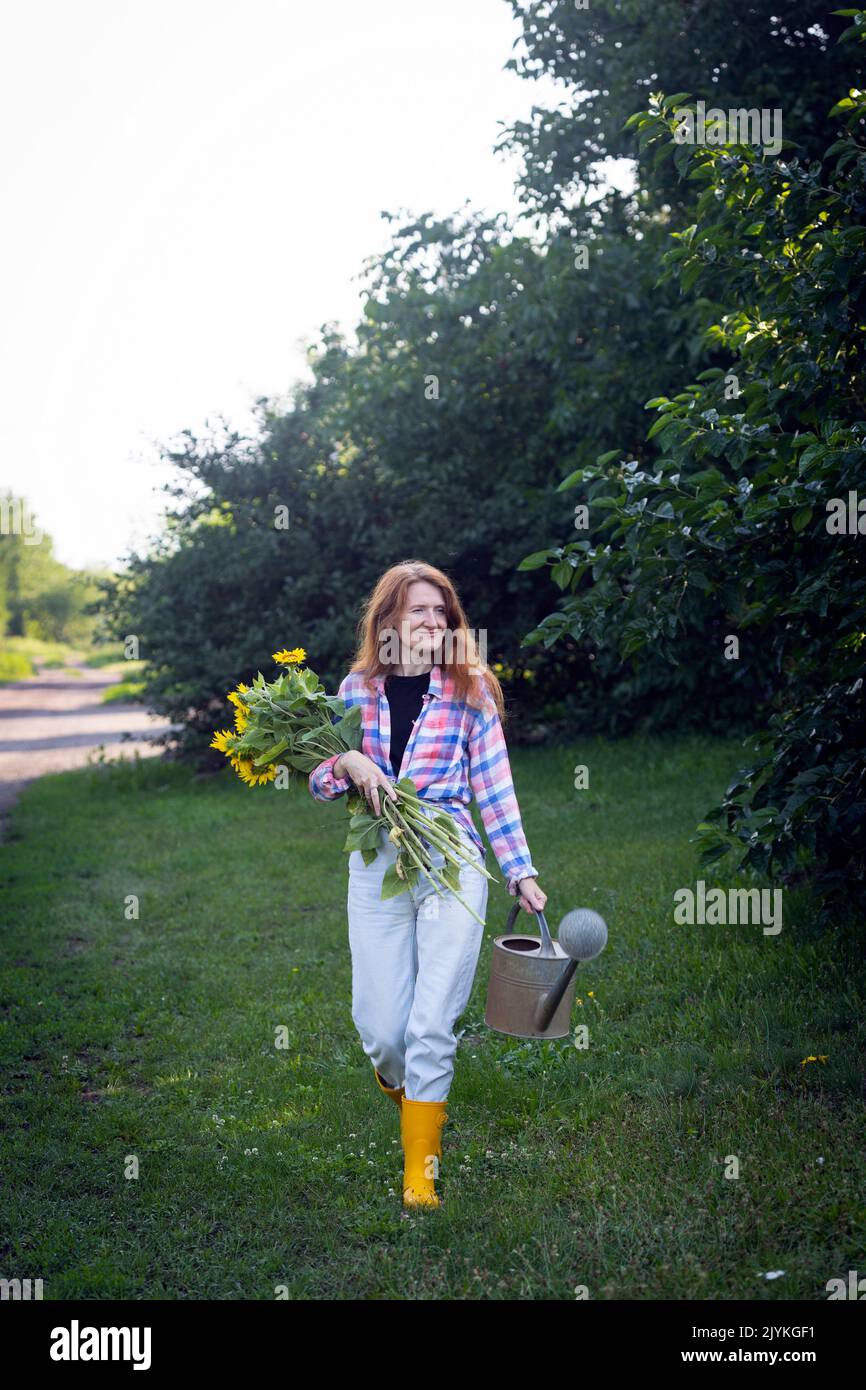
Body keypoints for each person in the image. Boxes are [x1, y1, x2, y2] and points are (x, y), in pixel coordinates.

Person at [308, 559, 547, 1208]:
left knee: (432, 1020)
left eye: (442, 611)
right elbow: (319, 780)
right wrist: (350, 761)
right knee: (384, 1030)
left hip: (450, 861)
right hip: (376, 865)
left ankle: (421, 1172)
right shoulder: (356, 689)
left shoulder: (470, 691)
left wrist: (519, 871)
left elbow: (494, 788)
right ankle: (408, 1089)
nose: (433, 621)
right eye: (419, 610)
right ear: (387, 619)